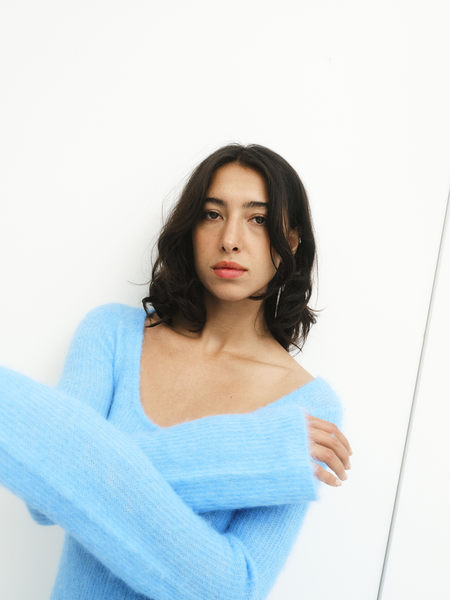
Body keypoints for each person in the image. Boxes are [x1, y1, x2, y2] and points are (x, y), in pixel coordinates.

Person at [0, 143, 352, 600]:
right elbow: (45, 497)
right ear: (191, 228)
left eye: (258, 219)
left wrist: (88, 473)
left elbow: (230, 589)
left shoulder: (305, 404)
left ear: (292, 240)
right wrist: (248, 453)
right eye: (212, 214)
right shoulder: (112, 334)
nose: (230, 238)